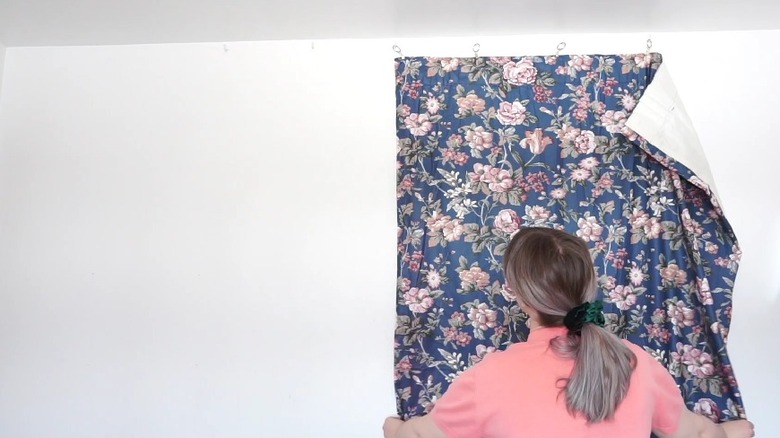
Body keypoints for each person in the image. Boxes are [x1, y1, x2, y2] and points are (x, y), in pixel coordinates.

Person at [384, 227, 754, 438]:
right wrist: (743, 429)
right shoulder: (635, 362)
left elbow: (414, 436)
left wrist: (391, 426)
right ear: (590, 286)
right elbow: (701, 435)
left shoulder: (488, 378)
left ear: (519, 296)